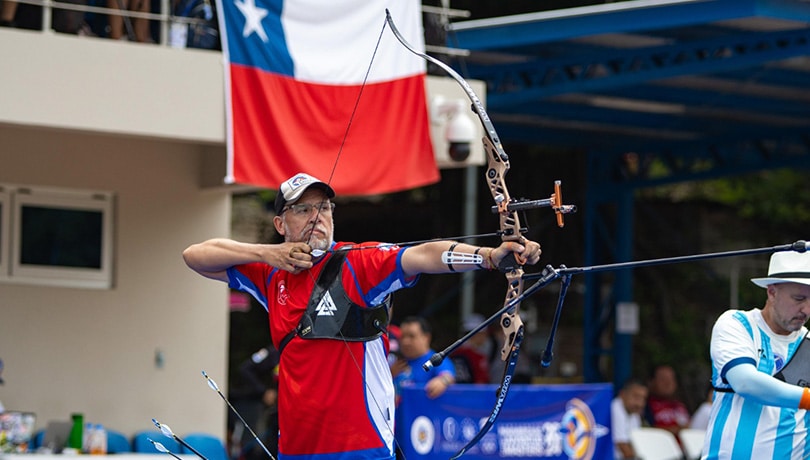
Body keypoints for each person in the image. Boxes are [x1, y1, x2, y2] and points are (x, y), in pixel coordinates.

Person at [182, 172, 542, 460]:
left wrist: (488, 257)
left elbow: (422, 255)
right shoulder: (271, 273)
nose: (316, 218)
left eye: (324, 208)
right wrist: (266, 253)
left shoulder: (358, 262)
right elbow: (195, 255)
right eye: (303, 210)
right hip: (296, 447)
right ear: (281, 223)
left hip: (360, 445)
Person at [703, 251, 810, 459]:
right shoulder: (736, 324)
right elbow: (745, 383)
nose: (806, 309)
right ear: (772, 292)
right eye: (799, 298)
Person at [391, 316, 456, 401]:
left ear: (426, 337)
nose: (405, 342)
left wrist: (442, 381)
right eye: (403, 336)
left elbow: (448, 376)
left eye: (411, 336)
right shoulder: (396, 362)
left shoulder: (435, 361)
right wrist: (390, 374)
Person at [449, 313, 496, 384]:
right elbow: (481, 383)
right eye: (483, 333)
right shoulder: (477, 357)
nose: (485, 336)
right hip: (472, 393)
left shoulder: (451, 352)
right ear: (476, 334)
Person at [644, 364, 690, 436]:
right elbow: (647, 430)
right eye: (663, 379)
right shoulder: (645, 405)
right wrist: (676, 430)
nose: (668, 383)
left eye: (671, 379)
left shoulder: (680, 406)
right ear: (651, 382)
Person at [611, 378, 648, 460]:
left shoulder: (634, 413)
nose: (640, 403)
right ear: (622, 394)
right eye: (636, 397)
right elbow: (623, 447)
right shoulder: (615, 408)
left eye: (643, 398)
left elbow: (636, 443)